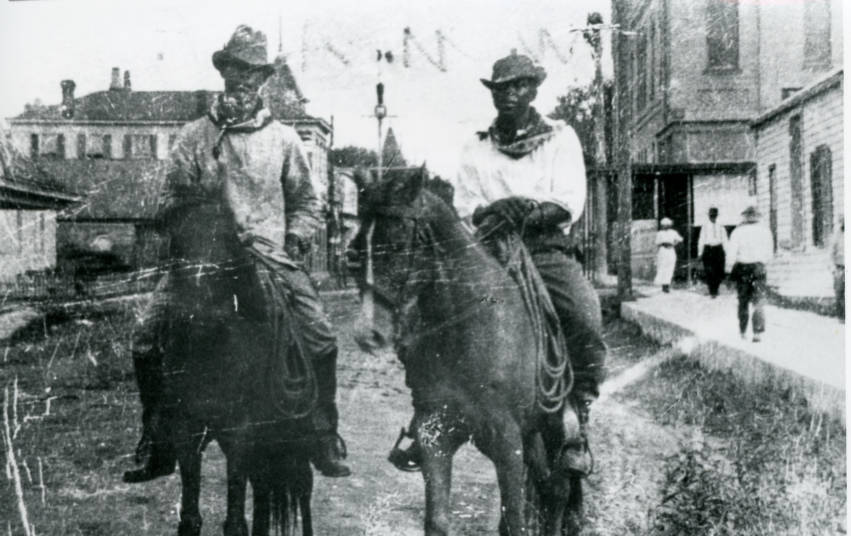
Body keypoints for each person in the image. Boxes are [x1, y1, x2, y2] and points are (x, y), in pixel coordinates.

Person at [125, 25, 351, 483]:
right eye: (235, 69)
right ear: (223, 71)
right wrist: (198, 204)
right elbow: (167, 201)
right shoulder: (194, 136)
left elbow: (307, 202)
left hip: (269, 259)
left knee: (322, 336)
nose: (243, 79)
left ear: (264, 78)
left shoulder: (284, 139)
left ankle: (323, 434)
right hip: (203, 260)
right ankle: (156, 438)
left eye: (252, 72)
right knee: (146, 337)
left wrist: (293, 243)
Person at [390, 52, 606, 475]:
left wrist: (523, 212)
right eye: (501, 88)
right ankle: (426, 416)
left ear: (533, 90)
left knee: (584, 315)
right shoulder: (476, 144)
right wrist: (495, 212)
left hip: (544, 250)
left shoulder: (561, 138)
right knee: (427, 313)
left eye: (519, 86)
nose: (509, 94)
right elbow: (468, 205)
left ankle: (576, 418)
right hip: (488, 249)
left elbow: (568, 201)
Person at [725, 205, 773, 342]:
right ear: (758, 216)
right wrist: (762, 263)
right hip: (759, 267)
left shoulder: (737, 232)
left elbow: (731, 254)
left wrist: (729, 270)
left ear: (745, 216)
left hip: (743, 268)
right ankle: (757, 332)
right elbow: (769, 253)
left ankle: (743, 331)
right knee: (758, 300)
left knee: (743, 300)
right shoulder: (765, 231)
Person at [697, 206, 726, 297]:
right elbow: (701, 240)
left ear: (717, 215)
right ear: (709, 216)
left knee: (719, 270)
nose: (713, 217)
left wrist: (726, 251)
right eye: (711, 215)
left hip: (718, 249)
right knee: (709, 270)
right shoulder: (705, 226)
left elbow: (725, 239)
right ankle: (712, 291)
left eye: (714, 215)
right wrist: (700, 253)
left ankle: (716, 289)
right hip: (708, 249)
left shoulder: (721, 226)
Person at [654, 217, 682, 293]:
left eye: (667, 225)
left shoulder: (673, 232)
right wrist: (663, 243)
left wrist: (674, 243)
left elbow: (680, 239)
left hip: (671, 251)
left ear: (669, 225)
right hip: (663, 251)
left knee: (670, 268)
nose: (665, 226)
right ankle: (663, 285)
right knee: (662, 267)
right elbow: (657, 242)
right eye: (663, 225)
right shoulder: (659, 233)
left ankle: (667, 285)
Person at [831, 217, 844, 322]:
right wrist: (833, 269)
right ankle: (841, 317)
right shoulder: (837, 235)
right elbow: (831, 253)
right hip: (840, 267)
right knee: (839, 292)